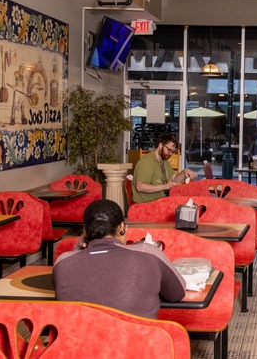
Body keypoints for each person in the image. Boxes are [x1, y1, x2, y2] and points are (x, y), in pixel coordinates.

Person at [53, 199, 186, 319]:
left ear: (85, 231)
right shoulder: (149, 253)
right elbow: (177, 293)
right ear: (122, 227)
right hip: (140, 343)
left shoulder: (62, 263)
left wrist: (79, 245)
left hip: (81, 344)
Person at [132, 133, 198, 203]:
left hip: (160, 201)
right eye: (169, 150)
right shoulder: (146, 161)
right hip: (147, 204)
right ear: (160, 145)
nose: (170, 154)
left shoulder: (163, 161)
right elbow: (140, 187)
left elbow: (173, 179)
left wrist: (184, 173)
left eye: (172, 152)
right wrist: (165, 186)